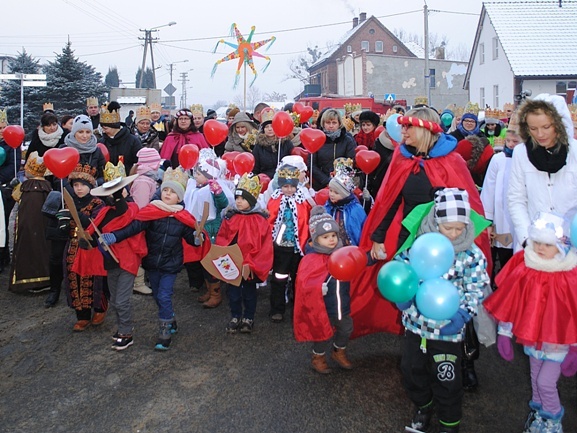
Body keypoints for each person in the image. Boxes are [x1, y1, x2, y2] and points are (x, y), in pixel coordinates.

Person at [352, 107, 491, 378]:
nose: (401, 132)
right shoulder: (402, 158)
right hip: (411, 242)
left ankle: (466, 359)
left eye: (407, 127)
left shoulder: (452, 161)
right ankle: (420, 353)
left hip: (447, 244)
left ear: (425, 130)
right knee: (416, 299)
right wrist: (377, 238)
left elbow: (467, 209)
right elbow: (389, 201)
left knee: (452, 297)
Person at [396, 188, 489, 433]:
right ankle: (423, 406)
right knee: (411, 370)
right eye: (449, 228)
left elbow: (477, 286)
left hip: (448, 330)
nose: (455, 234)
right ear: (436, 223)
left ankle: (450, 423)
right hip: (416, 325)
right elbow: (403, 272)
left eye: (460, 228)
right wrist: (403, 298)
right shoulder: (417, 246)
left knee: (447, 377)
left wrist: (463, 314)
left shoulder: (471, 255)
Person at [484, 212, 577, 433]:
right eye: (537, 242)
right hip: (532, 336)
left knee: (546, 382)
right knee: (536, 379)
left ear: (561, 245)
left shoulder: (569, 273)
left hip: (558, 342)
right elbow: (512, 301)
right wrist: (505, 332)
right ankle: (539, 418)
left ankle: (554, 421)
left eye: (547, 244)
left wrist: (574, 348)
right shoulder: (526, 266)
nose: (541, 249)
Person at [101, 167, 209, 351]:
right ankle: (171, 319)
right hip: (152, 263)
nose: (168, 194)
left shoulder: (182, 218)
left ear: (180, 197)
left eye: (173, 192)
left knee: (164, 295)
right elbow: (133, 228)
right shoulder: (151, 212)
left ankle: (165, 330)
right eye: (165, 190)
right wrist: (115, 236)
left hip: (171, 264)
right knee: (158, 297)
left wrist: (198, 239)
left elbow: (191, 238)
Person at [74, 172, 146, 350]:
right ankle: (124, 327)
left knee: (121, 300)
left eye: (118, 192)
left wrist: (115, 235)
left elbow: (129, 221)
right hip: (110, 261)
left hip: (126, 261)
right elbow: (92, 231)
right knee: (115, 300)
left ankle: (126, 333)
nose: (114, 197)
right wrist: (85, 240)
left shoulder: (133, 210)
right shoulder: (105, 212)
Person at [508, 93, 577, 251]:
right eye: (533, 128)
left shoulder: (575, 152)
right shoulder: (521, 153)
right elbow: (516, 199)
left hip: (570, 244)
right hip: (533, 245)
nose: (540, 134)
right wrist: (527, 239)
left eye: (546, 127)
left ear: (559, 125)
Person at [294, 206, 355, 374]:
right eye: (326, 237)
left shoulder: (342, 253)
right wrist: (317, 287)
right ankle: (318, 356)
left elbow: (357, 262)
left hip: (342, 305)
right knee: (322, 334)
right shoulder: (311, 259)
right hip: (323, 307)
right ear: (315, 239)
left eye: (334, 235)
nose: (332, 240)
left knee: (346, 328)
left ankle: (338, 351)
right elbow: (304, 282)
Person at [216, 173, 273, 334]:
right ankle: (235, 316)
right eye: (237, 198)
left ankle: (248, 317)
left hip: (250, 265)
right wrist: (223, 257)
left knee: (249, 292)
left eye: (243, 198)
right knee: (232, 292)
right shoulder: (231, 217)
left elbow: (264, 246)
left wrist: (252, 263)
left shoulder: (260, 221)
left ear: (252, 200)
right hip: (232, 263)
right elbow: (223, 237)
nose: (238, 201)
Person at [62, 163, 106, 331]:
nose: (79, 189)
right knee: (74, 278)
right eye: (75, 185)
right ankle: (82, 315)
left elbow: (96, 224)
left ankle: (100, 308)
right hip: (72, 245)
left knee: (93, 278)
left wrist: (76, 214)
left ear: (90, 186)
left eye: (82, 185)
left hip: (90, 245)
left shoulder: (97, 203)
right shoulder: (67, 202)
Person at [183, 154, 231, 308]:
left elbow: (223, 203)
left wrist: (217, 192)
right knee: (203, 261)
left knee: (211, 261)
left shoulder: (213, 189)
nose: (195, 176)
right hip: (200, 227)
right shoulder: (196, 187)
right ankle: (209, 290)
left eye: (199, 174)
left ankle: (216, 293)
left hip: (211, 229)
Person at [267, 163, 312, 323]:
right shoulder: (275, 200)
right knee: (279, 278)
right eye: (285, 186)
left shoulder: (303, 200)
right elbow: (270, 221)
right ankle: (277, 308)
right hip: (281, 247)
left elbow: (307, 221)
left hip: (298, 247)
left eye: (291, 186)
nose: (289, 190)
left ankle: (299, 307)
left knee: (298, 279)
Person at [480, 128, 522, 285]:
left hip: (519, 218)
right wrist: (488, 220)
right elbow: (489, 190)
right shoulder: (498, 159)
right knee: (502, 254)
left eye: (515, 142)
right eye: (508, 141)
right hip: (501, 218)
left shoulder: (528, 160)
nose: (510, 145)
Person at [8, 152, 51, 294]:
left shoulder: (28, 188)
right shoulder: (45, 188)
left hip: (29, 229)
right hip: (41, 230)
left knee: (30, 247)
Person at [311, 109, 356, 190]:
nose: (331, 126)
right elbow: (311, 164)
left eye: (334, 123)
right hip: (321, 184)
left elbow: (351, 161)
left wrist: (339, 180)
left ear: (339, 124)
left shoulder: (347, 140)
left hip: (342, 185)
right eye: (328, 123)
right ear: (323, 124)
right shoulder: (316, 140)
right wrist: (326, 181)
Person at [324, 160, 366, 246]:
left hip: (350, 249)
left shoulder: (356, 209)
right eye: (330, 191)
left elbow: (361, 231)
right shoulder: (328, 206)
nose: (331, 194)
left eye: (336, 193)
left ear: (345, 194)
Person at [0, 108, 22, 269]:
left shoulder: (11, 145)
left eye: (3, 127)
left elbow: (12, 168)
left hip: (5, 189)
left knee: (3, 222)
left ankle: (3, 255)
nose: (1, 131)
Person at [99, 102, 142, 175]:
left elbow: (139, 162)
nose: (103, 130)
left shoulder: (133, 141)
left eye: (105, 128)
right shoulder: (102, 142)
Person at [252, 108, 294, 179]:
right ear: (263, 130)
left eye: (272, 126)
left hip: (285, 179)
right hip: (265, 180)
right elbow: (255, 168)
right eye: (266, 127)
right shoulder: (258, 146)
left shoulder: (286, 143)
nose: (270, 129)